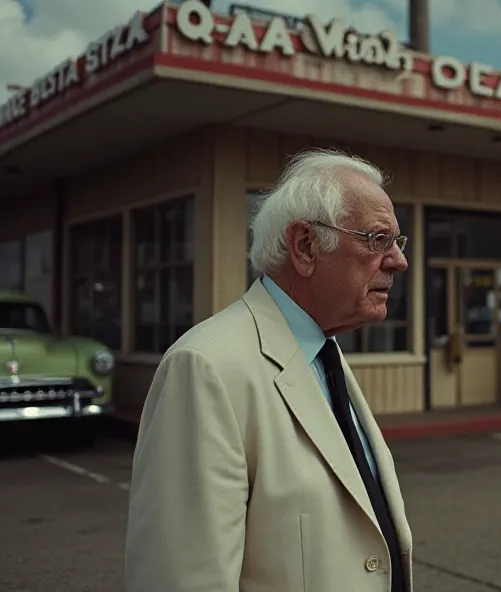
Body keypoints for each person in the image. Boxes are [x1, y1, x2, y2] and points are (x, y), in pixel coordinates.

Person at [125, 149, 413, 592]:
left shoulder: (324, 352)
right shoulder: (206, 368)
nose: (398, 260)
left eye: (396, 242)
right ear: (305, 246)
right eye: (377, 239)